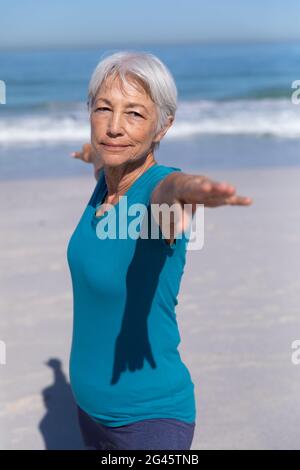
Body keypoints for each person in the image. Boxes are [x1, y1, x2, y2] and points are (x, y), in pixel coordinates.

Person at [67, 50, 252, 451]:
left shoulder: (158, 192)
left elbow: (174, 187)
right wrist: (88, 154)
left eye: (135, 114)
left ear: (162, 126)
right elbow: (99, 154)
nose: (114, 126)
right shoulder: (108, 177)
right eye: (103, 109)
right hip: (89, 415)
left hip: (148, 423)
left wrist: (193, 191)